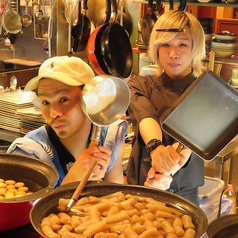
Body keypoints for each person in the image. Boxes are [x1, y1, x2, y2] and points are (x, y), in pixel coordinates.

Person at [7, 56, 127, 187]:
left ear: (91, 98)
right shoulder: (29, 154)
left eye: (63, 100)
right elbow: (26, 207)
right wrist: (72, 180)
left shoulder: (109, 136)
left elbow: (116, 198)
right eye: (46, 102)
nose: (53, 113)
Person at [126, 10, 206, 205]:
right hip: (139, 187)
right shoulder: (139, 84)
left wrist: (165, 172)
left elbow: (191, 139)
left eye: (182, 45)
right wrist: (156, 147)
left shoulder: (205, 91)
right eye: (165, 44)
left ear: (195, 48)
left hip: (183, 194)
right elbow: (146, 117)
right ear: (156, 48)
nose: (173, 54)